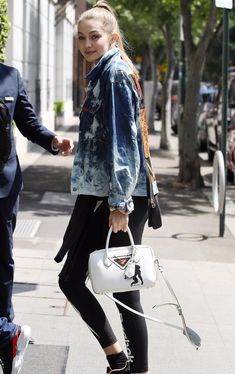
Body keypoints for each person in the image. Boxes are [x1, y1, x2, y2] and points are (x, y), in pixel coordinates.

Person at [55, 1, 157, 373]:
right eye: (81, 38)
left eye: (94, 36)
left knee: (113, 287)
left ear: (112, 37)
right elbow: (109, 138)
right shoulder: (105, 72)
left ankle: (124, 363)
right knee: (119, 287)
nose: (86, 44)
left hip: (114, 198)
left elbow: (124, 144)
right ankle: (122, 362)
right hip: (106, 193)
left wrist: (120, 203)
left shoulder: (113, 74)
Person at [0, 60, 74, 374]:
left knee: (2, 258)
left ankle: (6, 329)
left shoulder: (10, 77)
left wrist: (53, 142)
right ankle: (6, 336)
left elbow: (27, 122)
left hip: (3, 185)